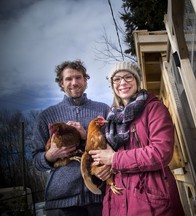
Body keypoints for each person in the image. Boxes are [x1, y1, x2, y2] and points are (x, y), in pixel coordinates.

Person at [89, 61, 185, 216]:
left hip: (150, 196)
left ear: (137, 80)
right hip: (117, 200)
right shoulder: (111, 119)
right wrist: (101, 171)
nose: (122, 82)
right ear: (112, 85)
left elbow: (161, 153)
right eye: (117, 79)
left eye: (128, 77)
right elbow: (105, 158)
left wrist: (115, 159)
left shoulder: (154, 109)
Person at [32, 59, 110, 216]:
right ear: (61, 83)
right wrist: (50, 156)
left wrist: (86, 135)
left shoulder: (103, 109)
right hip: (62, 201)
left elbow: (114, 147)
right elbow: (35, 161)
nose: (74, 82)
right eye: (68, 78)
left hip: (99, 196)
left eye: (78, 77)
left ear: (85, 80)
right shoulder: (47, 116)